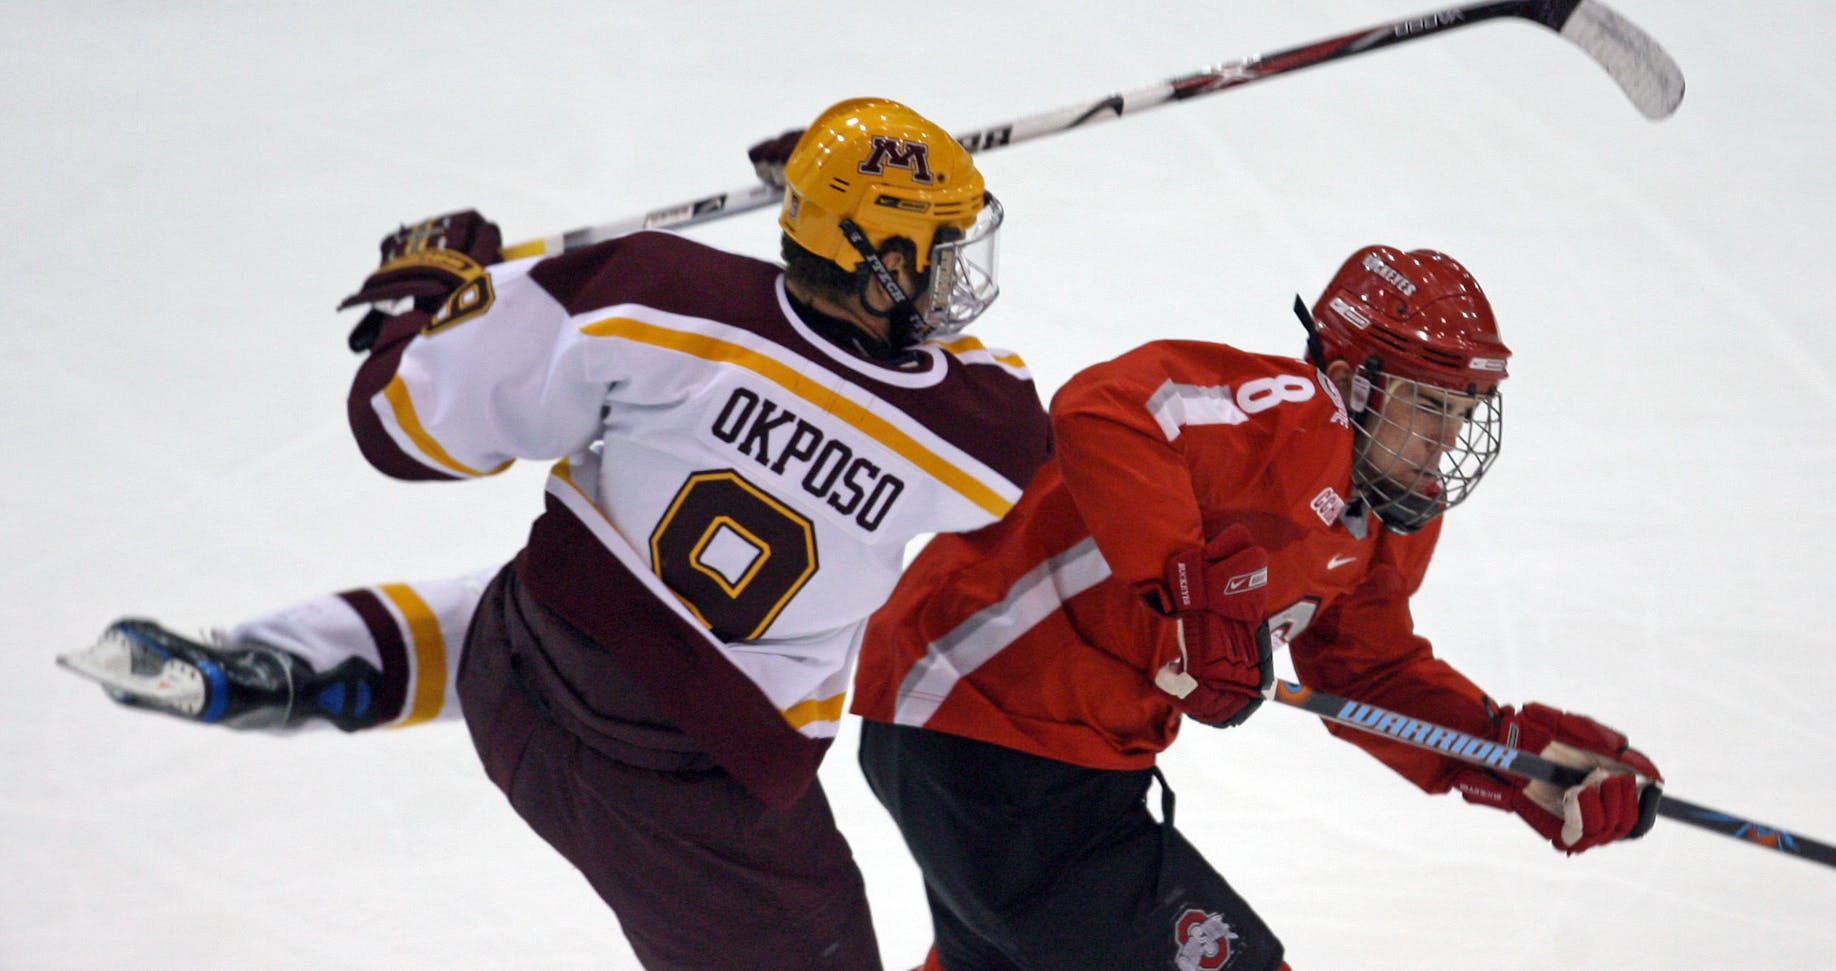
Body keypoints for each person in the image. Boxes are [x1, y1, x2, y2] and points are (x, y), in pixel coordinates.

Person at [60, 96, 1048, 970]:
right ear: (884, 265)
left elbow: (404, 427)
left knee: (553, 606)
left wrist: (426, 307)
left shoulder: (653, 294)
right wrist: (817, 193)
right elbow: (948, 381)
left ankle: (284, 664)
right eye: (944, 246)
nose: (959, 275)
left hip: (521, 674)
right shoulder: (977, 437)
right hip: (694, 801)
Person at [848, 244, 1664, 971]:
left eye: (1458, 412)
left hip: (1068, 765)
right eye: (1426, 405)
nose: (1443, 442)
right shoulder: (1281, 410)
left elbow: (1366, 668)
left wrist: (1516, 758)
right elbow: (1104, 408)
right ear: (1352, 382)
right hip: (978, 718)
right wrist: (1190, 594)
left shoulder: (1389, 512)